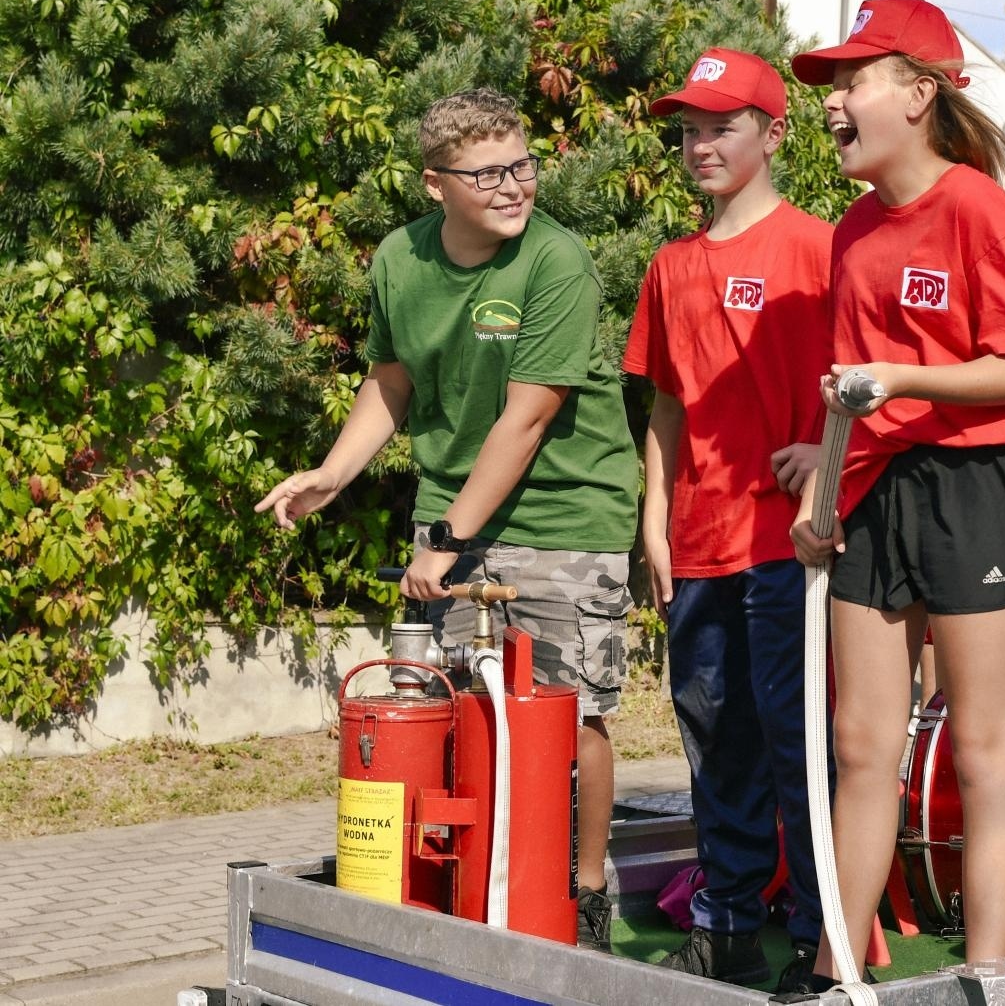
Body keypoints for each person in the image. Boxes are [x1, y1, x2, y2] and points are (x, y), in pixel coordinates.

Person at [254, 88, 638, 951]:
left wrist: (451, 540)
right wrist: (331, 471)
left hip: (566, 512)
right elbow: (391, 383)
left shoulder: (556, 261)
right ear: (436, 184)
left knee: (570, 714)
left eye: (523, 165)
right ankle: (475, 887)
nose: (513, 186)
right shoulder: (400, 259)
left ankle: (582, 898)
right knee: (461, 708)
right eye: (488, 172)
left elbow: (527, 417)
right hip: (452, 513)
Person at [787, 0, 1005, 984]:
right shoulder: (850, 232)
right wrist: (818, 498)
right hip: (878, 494)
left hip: (978, 484)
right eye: (828, 84)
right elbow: (846, 400)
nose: (831, 101)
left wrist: (903, 380)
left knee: (978, 745)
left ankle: (981, 976)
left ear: (916, 93)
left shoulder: (980, 210)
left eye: (850, 80)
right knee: (864, 741)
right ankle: (836, 972)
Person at [623, 48, 831, 990]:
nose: (699, 145)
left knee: (800, 741)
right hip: (700, 545)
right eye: (689, 130)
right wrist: (653, 519)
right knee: (714, 741)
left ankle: (822, 935)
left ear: (773, 132)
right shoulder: (670, 266)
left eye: (721, 126)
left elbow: (864, 386)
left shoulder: (823, 248)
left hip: (791, 544)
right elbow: (668, 406)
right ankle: (730, 926)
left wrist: (827, 457)